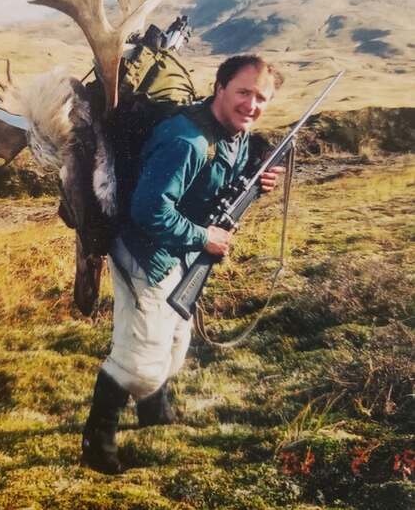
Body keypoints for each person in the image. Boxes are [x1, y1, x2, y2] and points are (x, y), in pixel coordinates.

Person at [81, 54, 284, 474]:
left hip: (181, 252)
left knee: (175, 338)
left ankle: (153, 413)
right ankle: (96, 445)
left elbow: (214, 187)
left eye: (261, 98)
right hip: (147, 252)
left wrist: (255, 183)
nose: (252, 105)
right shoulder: (186, 140)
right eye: (243, 92)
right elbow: (149, 210)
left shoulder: (235, 134)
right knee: (139, 353)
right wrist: (204, 237)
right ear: (220, 88)